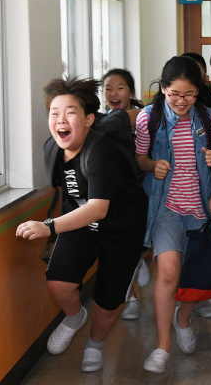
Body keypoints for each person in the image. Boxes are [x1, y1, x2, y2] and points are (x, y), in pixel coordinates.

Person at [16, 77, 148, 372]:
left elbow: (98, 209)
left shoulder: (101, 152)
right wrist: (58, 225)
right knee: (59, 284)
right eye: (54, 113)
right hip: (79, 224)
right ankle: (75, 317)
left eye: (70, 112)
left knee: (109, 300)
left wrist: (48, 227)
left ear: (88, 119)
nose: (60, 119)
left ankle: (95, 344)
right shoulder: (53, 148)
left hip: (121, 230)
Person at [134, 56, 211, 373]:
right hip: (166, 207)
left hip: (201, 207)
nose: (181, 101)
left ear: (198, 92)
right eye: (174, 93)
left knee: (196, 277)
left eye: (189, 94)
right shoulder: (149, 118)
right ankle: (163, 345)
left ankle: (183, 318)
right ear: (163, 89)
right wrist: (151, 166)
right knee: (169, 272)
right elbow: (140, 157)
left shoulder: (210, 121)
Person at [100, 68, 150, 321]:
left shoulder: (143, 119)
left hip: (145, 187)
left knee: (140, 244)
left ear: (131, 91)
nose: (113, 93)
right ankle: (131, 296)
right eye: (108, 88)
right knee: (123, 248)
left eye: (119, 87)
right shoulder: (101, 123)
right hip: (117, 195)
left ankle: (140, 261)